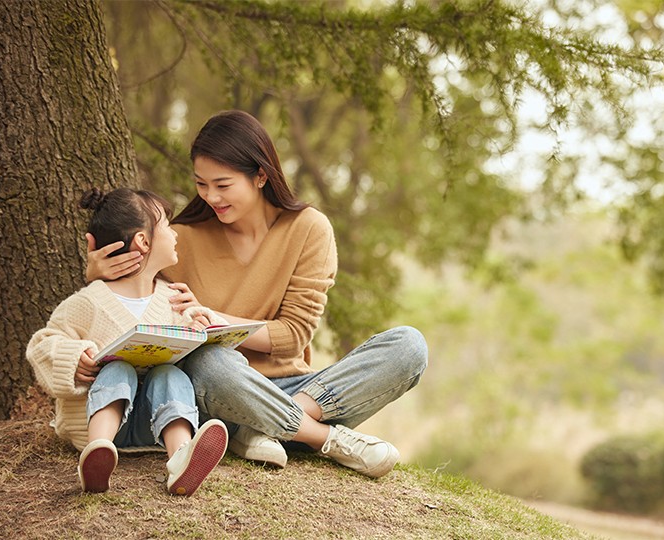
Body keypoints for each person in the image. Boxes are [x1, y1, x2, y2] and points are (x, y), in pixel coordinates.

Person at [86, 110, 428, 479]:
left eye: (223, 184)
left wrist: (219, 319)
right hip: (216, 390)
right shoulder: (181, 238)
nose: (211, 196)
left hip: (299, 388)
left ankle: (259, 428)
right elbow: (130, 301)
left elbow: (293, 335)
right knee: (210, 361)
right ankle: (323, 439)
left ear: (261, 175)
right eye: (201, 184)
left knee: (409, 345)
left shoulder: (309, 229)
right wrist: (96, 277)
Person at [27, 187, 229, 496]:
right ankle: (98, 451)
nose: (175, 235)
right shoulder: (90, 301)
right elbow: (42, 344)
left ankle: (180, 459)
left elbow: (197, 357)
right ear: (144, 241)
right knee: (118, 369)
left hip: (152, 424)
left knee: (170, 374)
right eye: (167, 226)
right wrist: (74, 357)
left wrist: (205, 327)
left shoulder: (174, 300)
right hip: (98, 423)